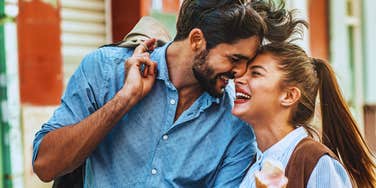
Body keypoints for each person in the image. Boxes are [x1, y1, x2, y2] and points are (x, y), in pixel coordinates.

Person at [32, 0, 302, 187]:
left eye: (247, 62)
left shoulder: (236, 124)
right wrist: (124, 100)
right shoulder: (105, 70)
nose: (241, 71)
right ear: (197, 40)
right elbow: (45, 165)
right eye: (234, 58)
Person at [232, 42, 376, 187]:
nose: (238, 79)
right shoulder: (248, 164)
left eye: (256, 73)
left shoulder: (315, 162)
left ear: (289, 95)